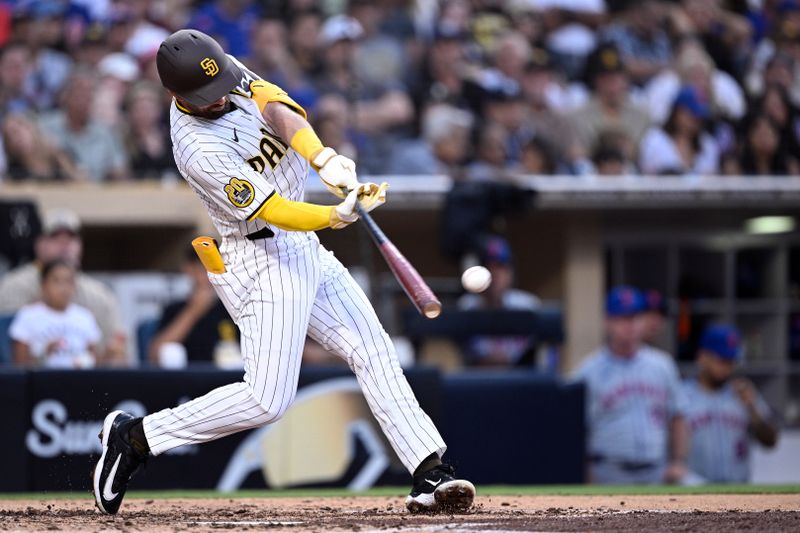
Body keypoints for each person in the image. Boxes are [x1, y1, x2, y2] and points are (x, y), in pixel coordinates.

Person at [92, 29, 474, 516]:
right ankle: (136, 437)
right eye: (207, 97)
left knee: (371, 347)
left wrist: (323, 157)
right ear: (177, 95)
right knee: (267, 398)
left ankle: (428, 472)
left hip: (301, 247)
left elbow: (274, 106)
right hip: (258, 259)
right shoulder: (194, 146)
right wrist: (335, 215)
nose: (222, 97)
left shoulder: (220, 71)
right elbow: (273, 209)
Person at [572, 286, 689, 485]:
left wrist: (678, 461)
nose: (630, 325)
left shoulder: (662, 365)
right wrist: (584, 472)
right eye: (622, 318)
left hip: (656, 469)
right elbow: (575, 429)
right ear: (607, 322)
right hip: (608, 470)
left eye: (635, 317)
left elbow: (678, 416)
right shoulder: (587, 371)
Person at [0, 208, 127, 363]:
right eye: (55, 238)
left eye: (71, 239)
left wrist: (113, 353)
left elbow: (113, 351)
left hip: (85, 379)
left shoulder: (100, 295)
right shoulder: (14, 286)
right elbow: (12, 358)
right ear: (39, 244)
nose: (64, 245)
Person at [683, 325, 779, 483]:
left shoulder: (744, 393)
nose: (728, 367)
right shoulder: (682, 395)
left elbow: (770, 441)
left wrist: (752, 408)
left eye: (731, 361)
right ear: (702, 357)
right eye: (721, 360)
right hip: (695, 490)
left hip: (738, 490)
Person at [457, 236, 541, 367]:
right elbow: (482, 358)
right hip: (477, 381)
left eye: (500, 267)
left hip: (519, 379)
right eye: (488, 267)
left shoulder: (527, 305)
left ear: (510, 273)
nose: (494, 274)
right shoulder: (466, 306)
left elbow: (511, 358)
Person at [148, 249, 238, 366]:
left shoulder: (232, 309)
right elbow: (155, 355)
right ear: (189, 268)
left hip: (225, 379)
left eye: (215, 269)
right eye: (203, 269)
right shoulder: (174, 309)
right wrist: (194, 311)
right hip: (184, 380)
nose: (209, 276)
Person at [9, 260, 101, 368]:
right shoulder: (28, 316)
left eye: (69, 281)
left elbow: (94, 361)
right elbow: (20, 365)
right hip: (42, 381)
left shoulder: (85, 317)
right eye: (56, 281)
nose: (64, 288)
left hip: (79, 381)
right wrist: (43, 356)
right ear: (43, 285)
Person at [638, 86, 720, 176]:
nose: (696, 121)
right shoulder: (655, 140)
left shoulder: (707, 145)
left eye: (699, 117)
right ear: (678, 112)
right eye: (692, 115)